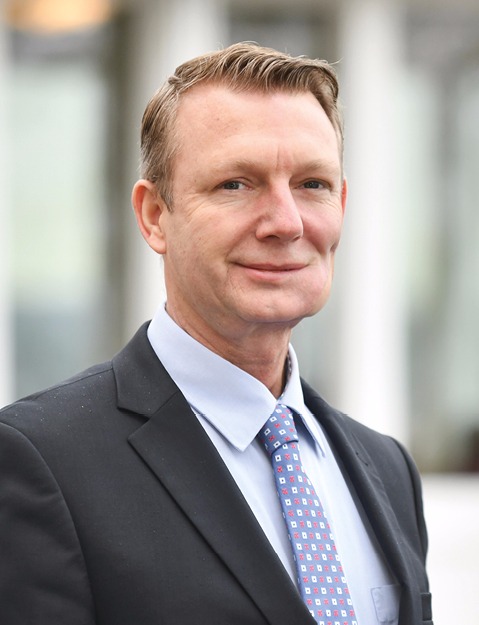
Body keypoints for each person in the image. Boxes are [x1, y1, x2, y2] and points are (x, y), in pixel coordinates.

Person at [0, 42, 433, 625]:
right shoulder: (41, 461)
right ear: (155, 215)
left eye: (312, 184)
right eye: (236, 184)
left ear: (343, 203)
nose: (286, 222)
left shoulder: (388, 470)